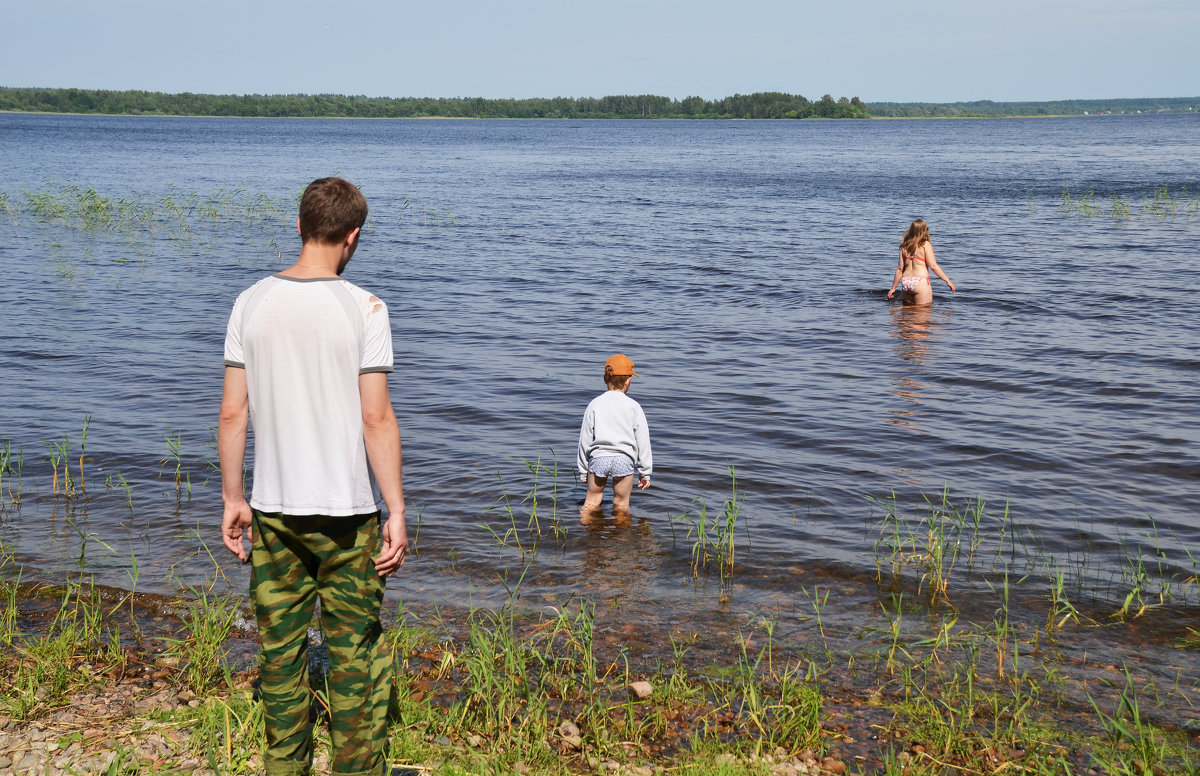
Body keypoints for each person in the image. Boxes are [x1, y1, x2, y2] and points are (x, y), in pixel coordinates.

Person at [219, 177, 407, 776]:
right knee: (354, 651)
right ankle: (357, 767)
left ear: (300, 227)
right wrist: (396, 509)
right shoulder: (366, 307)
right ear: (353, 236)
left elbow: (233, 411)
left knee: (281, 651)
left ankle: (286, 766)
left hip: (273, 513)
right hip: (349, 517)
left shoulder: (250, 301)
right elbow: (375, 417)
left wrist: (233, 497)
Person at [576, 354, 652, 520]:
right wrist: (645, 471)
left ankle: (583, 538)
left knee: (592, 500)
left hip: (599, 459)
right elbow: (643, 441)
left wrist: (583, 470)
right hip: (623, 460)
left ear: (605, 379)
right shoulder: (634, 407)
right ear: (628, 380)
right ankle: (622, 540)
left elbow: (585, 439)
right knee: (621, 504)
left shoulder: (594, 404)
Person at [887, 218, 955, 305]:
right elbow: (933, 266)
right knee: (923, 313)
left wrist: (893, 288)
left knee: (907, 314)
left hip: (906, 282)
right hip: (920, 282)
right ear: (924, 230)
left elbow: (900, 269)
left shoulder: (904, 246)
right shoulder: (925, 244)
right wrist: (948, 281)